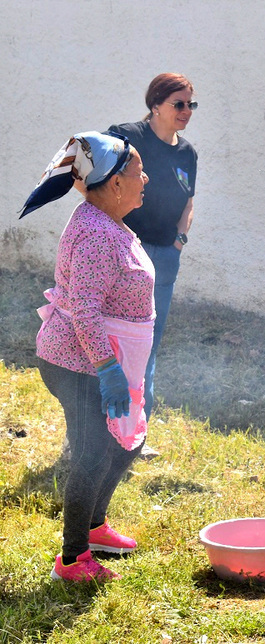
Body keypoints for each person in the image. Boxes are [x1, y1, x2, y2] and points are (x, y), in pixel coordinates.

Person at [19, 131, 153, 582]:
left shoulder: (107, 220)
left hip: (102, 360)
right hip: (77, 363)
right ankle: (73, 560)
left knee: (122, 443)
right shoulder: (96, 232)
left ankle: (94, 527)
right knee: (93, 452)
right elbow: (85, 309)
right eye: (138, 173)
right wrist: (107, 368)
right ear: (115, 183)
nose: (145, 179)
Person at [107, 73, 198, 447]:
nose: (186, 112)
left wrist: (178, 242)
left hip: (163, 259)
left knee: (148, 342)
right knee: (111, 337)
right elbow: (99, 186)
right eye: (179, 104)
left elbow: (188, 202)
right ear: (156, 104)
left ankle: (133, 431)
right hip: (121, 254)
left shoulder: (188, 153)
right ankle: (96, 429)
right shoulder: (126, 137)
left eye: (191, 105)